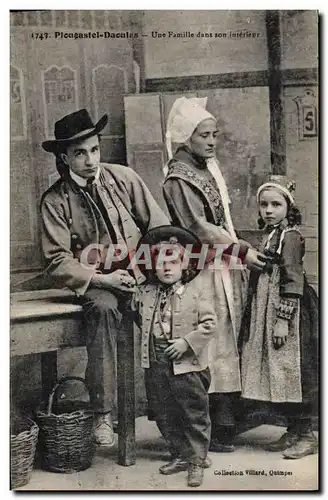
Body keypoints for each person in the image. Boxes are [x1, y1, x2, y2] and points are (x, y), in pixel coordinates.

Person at [40, 109, 169, 447]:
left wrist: (143, 272)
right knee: (104, 310)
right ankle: (102, 414)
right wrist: (105, 280)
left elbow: (157, 230)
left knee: (169, 322)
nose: (89, 160)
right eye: (80, 153)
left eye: (94, 150)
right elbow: (56, 260)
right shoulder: (56, 200)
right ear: (64, 156)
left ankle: (175, 418)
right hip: (98, 285)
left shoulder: (123, 178)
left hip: (141, 276)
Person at [162, 97, 267, 452]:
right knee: (214, 339)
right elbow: (199, 226)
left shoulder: (206, 167)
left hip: (223, 261)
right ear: (185, 138)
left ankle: (228, 418)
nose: (211, 141)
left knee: (229, 334)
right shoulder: (179, 177)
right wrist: (239, 249)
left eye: (214, 135)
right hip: (201, 267)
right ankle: (212, 425)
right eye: (203, 135)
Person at [240, 177, 318, 459]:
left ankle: (307, 434)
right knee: (278, 370)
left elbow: (293, 278)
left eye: (276, 204)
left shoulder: (291, 236)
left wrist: (283, 319)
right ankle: (293, 431)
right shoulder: (272, 233)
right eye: (264, 204)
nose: (269, 210)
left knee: (293, 369)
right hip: (267, 304)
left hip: (288, 309)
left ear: (288, 206)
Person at [133, 225, 216, 487]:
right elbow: (137, 313)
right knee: (164, 410)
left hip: (187, 364)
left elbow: (209, 325)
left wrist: (186, 342)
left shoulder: (197, 291)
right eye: (161, 263)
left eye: (173, 262)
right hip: (156, 361)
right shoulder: (145, 292)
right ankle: (180, 454)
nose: (167, 268)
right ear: (153, 267)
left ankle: (196, 460)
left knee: (193, 412)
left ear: (184, 265)